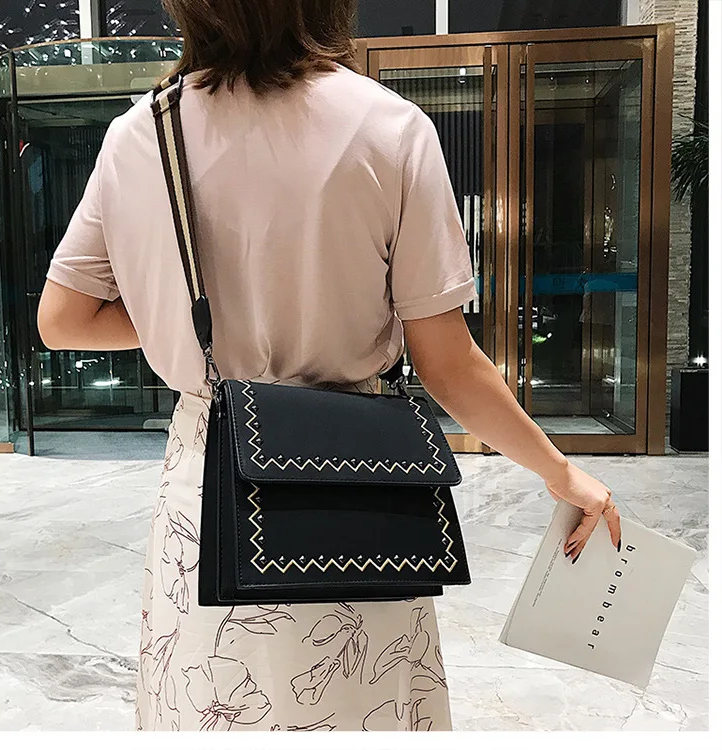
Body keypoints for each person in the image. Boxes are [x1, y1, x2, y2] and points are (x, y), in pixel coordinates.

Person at [37, 0, 622, 732]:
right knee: (360, 703)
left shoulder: (140, 135)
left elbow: (64, 320)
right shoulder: (389, 127)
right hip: (358, 475)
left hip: (209, 480)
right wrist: (559, 472)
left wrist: (177, 321)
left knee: (212, 703)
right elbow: (446, 364)